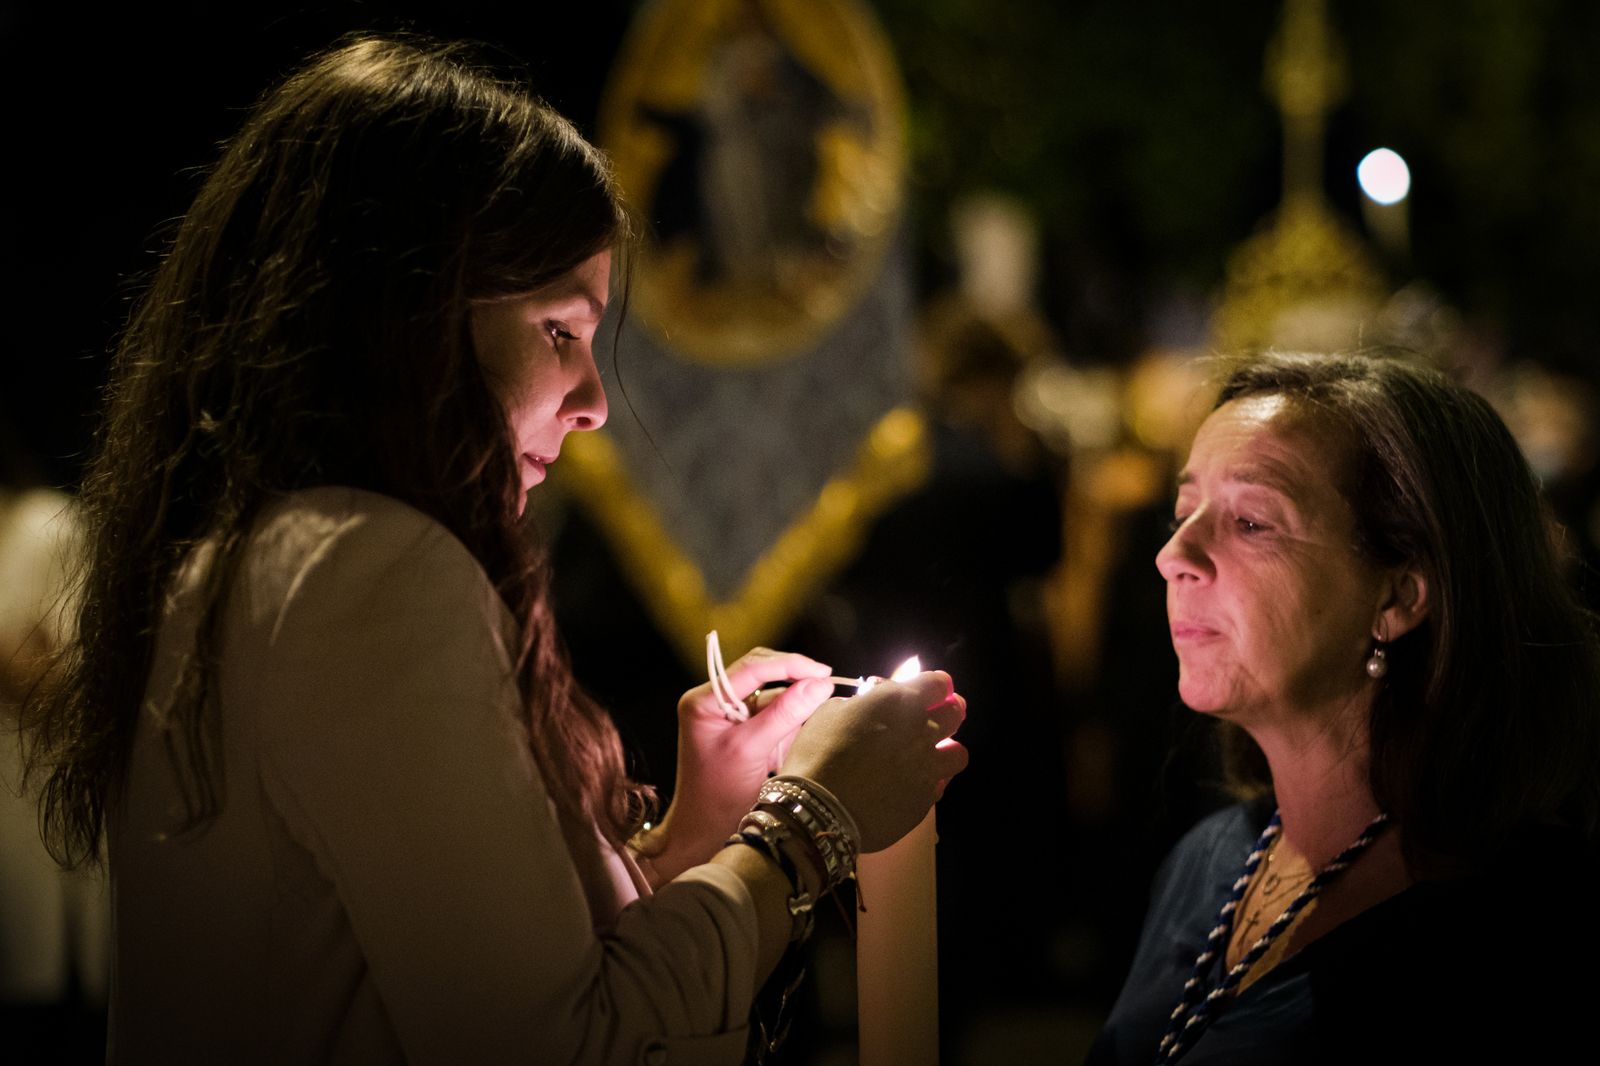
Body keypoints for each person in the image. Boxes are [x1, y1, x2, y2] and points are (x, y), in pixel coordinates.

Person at [22, 34, 967, 1065]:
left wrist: (693, 835)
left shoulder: (272, 553)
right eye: (561, 332)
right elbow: (555, 1039)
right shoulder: (361, 569)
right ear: (409, 315)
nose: (596, 406)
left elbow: (459, 966)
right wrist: (809, 819)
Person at [1086, 351, 1600, 1064]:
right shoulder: (1207, 861)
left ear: (1397, 596)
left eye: (1252, 522)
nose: (1174, 553)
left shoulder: (1519, 926)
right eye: (1184, 510)